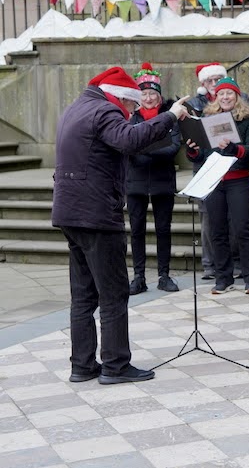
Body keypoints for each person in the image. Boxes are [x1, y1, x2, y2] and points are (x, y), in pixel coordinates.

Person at [52, 66, 190, 385]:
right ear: (119, 96)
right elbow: (129, 139)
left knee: (83, 295)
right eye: (131, 105)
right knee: (114, 293)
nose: (132, 112)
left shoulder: (78, 106)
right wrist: (170, 116)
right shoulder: (104, 111)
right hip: (96, 213)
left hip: (71, 212)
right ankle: (115, 365)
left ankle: (82, 365)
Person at [188, 62, 249, 280]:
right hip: (215, 181)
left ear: (236, 96)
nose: (225, 97)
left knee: (242, 229)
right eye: (221, 94)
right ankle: (222, 276)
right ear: (215, 97)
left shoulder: (248, 119)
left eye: (229, 93)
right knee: (217, 231)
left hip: (238, 180)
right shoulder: (208, 118)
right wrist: (193, 152)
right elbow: (204, 154)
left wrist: (237, 149)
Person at [126, 65, 181, 295]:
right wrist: (147, 148)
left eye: (152, 94)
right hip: (135, 182)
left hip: (162, 181)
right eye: (144, 94)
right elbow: (127, 145)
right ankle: (138, 276)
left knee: (163, 230)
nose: (148, 98)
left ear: (159, 96)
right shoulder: (131, 118)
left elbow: (173, 147)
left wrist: (145, 149)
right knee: (137, 230)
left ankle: (164, 274)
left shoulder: (169, 117)